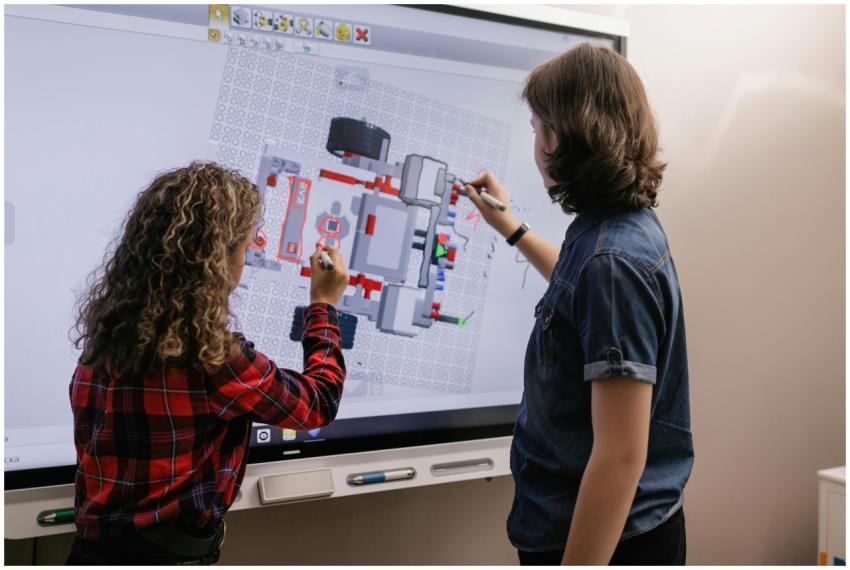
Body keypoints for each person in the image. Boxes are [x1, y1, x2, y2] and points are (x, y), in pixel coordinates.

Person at [464, 44, 693, 565]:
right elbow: (576, 296)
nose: (536, 142)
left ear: (566, 135)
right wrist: (513, 228)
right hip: (608, 531)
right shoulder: (614, 228)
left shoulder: (611, 263)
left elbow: (620, 456)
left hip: (603, 543)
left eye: (539, 126)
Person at [66, 162, 349, 565]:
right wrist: (323, 306)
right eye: (245, 247)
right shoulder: (210, 357)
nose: (247, 258)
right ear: (215, 259)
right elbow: (317, 402)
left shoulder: (105, 340)